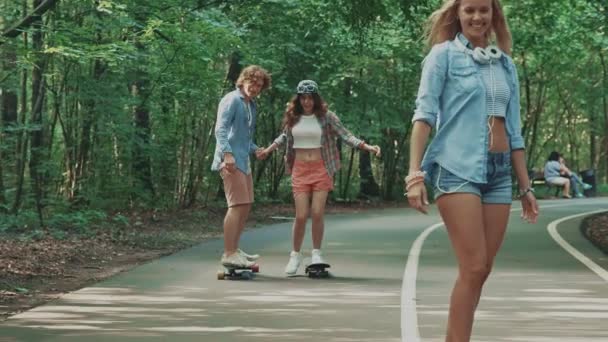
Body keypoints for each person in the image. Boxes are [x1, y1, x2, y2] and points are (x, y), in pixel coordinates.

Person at [405, 0, 539, 341]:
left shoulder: (504, 64)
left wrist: (525, 187)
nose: (477, 17)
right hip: (457, 168)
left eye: (484, 10)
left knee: (481, 270)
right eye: (470, 10)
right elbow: (424, 117)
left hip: (498, 173)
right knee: (475, 266)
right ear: (458, 14)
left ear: (494, 14)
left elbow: (514, 130)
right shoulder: (443, 56)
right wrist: (414, 176)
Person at [258, 80, 381, 276]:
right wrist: (268, 150)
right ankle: (295, 255)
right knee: (300, 215)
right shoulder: (293, 117)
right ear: (299, 99)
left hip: (321, 168)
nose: (307, 102)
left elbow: (346, 135)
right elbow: (283, 137)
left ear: (316, 98)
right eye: (303, 98)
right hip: (299, 169)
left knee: (316, 213)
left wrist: (367, 147)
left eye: (310, 98)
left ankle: (316, 253)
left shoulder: (326, 117)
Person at [211, 65, 271, 268]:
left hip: (243, 160)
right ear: (243, 80)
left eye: (260, 85)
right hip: (230, 161)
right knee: (235, 206)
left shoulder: (251, 105)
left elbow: (243, 137)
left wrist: (256, 149)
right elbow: (220, 130)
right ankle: (228, 253)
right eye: (253, 82)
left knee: (245, 206)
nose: (255, 87)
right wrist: (226, 154)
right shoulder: (231, 100)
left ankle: (235, 249)